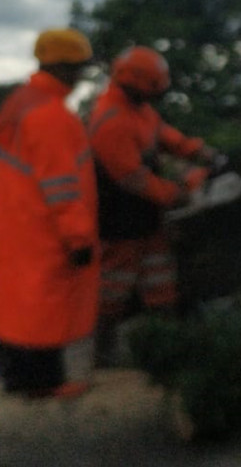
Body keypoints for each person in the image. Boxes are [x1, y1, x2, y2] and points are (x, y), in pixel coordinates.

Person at [0, 28, 99, 399]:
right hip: (47, 227)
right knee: (46, 305)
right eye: (79, 68)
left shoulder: (21, 104)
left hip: (22, 223)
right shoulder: (51, 117)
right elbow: (62, 186)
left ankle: (20, 378)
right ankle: (43, 383)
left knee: (24, 303)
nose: (82, 76)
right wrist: (79, 237)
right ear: (66, 69)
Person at [87, 46, 218, 365]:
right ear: (134, 82)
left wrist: (201, 153)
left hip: (147, 213)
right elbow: (132, 178)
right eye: (152, 87)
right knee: (114, 287)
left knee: (160, 280)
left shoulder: (139, 109)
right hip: (118, 216)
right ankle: (103, 350)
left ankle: (168, 343)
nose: (155, 94)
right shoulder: (112, 120)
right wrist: (177, 193)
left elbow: (166, 136)